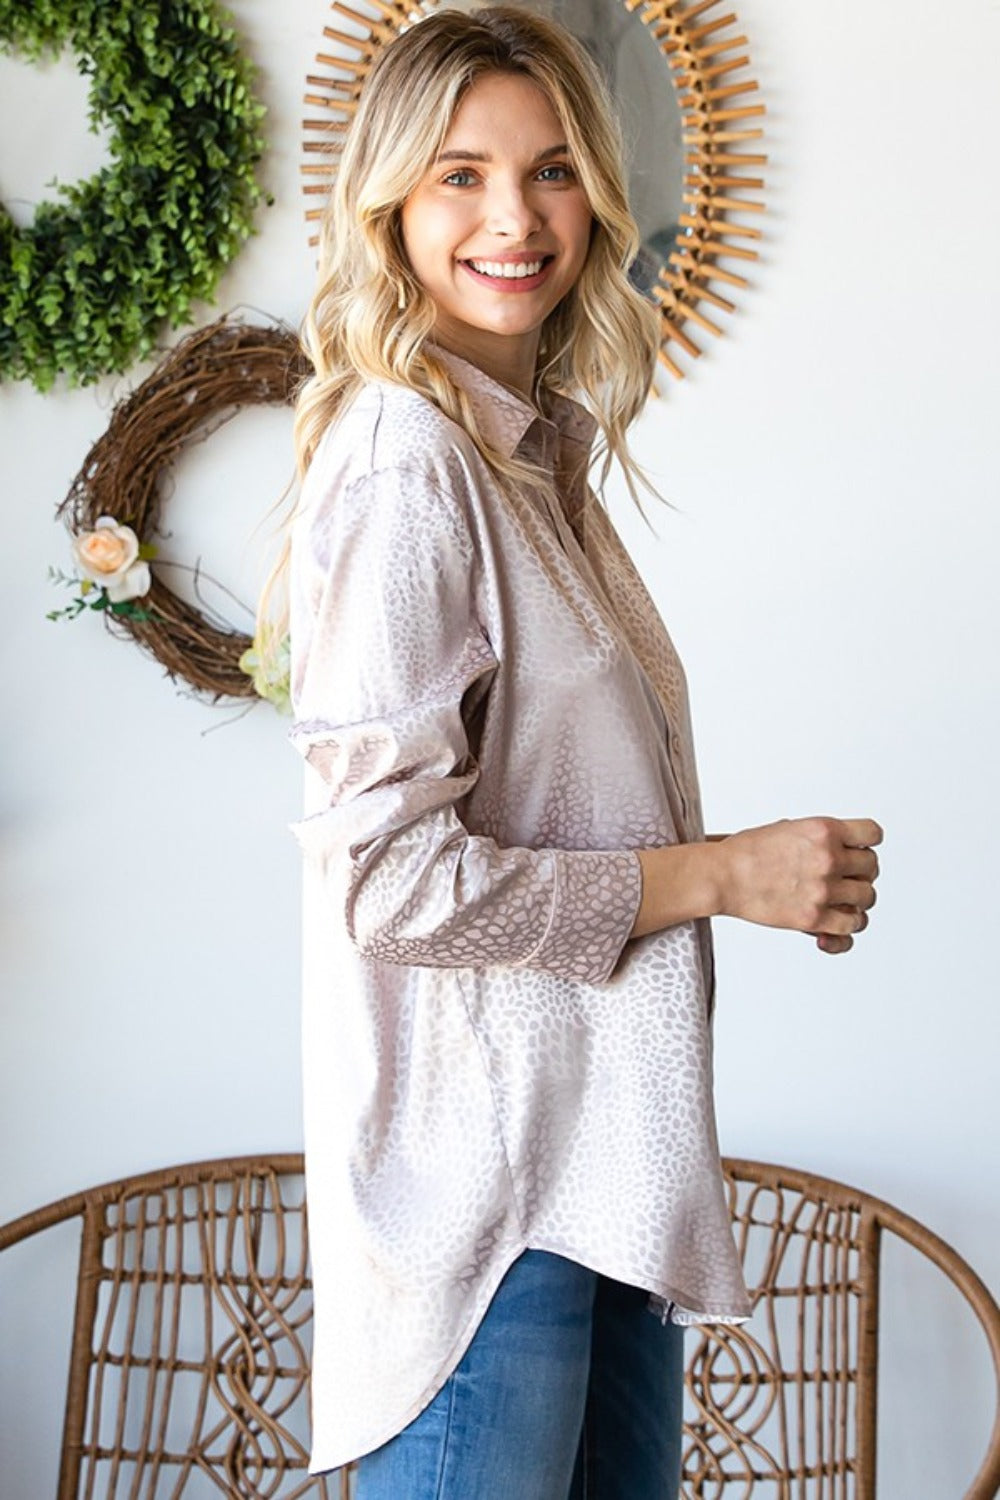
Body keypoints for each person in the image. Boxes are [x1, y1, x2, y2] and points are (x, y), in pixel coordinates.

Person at [275, 8, 882, 1497]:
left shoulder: (534, 456)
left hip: (601, 1175)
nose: (513, 217)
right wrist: (719, 875)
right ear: (392, 206)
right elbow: (388, 884)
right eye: (461, 175)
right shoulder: (408, 460)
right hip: (486, 1212)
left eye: (550, 172)